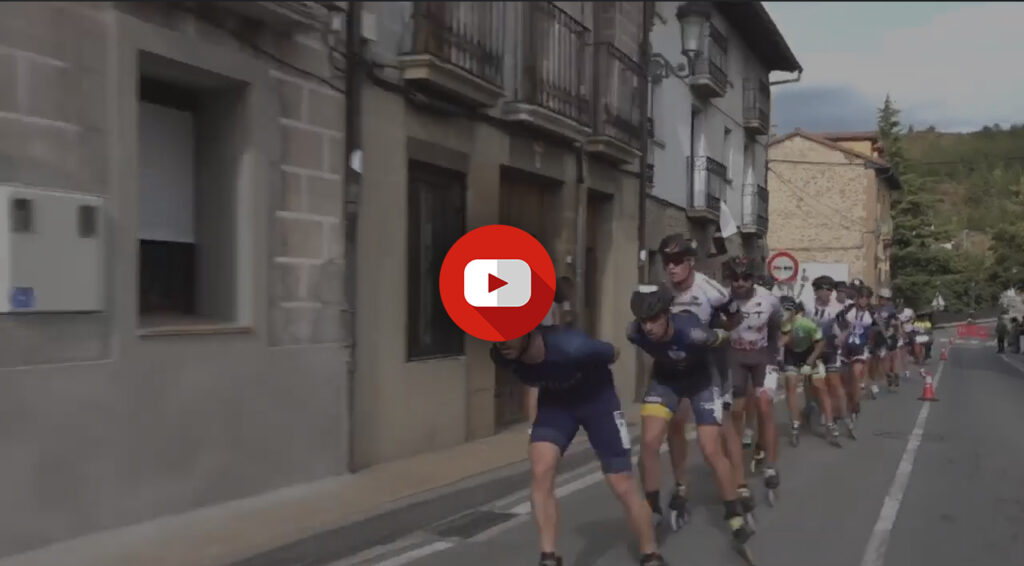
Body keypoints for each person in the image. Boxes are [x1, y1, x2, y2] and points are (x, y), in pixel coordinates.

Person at [491, 326, 665, 566]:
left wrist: (596, 355)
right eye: (495, 336)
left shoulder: (571, 345)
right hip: (556, 406)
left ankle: (650, 552)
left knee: (621, 480)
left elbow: (613, 353)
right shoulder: (502, 355)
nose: (501, 342)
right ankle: (549, 557)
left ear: (526, 330)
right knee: (541, 470)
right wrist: (534, 429)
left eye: (507, 334)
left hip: (598, 402)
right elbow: (533, 383)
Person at [628, 284, 755, 552]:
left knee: (710, 448)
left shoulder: (694, 332)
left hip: (703, 381)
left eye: (653, 319)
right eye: (643, 320)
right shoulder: (634, 332)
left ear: (667, 314)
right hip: (665, 381)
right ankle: (653, 508)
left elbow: (725, 342)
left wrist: (725, 390)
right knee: (649, 443)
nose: (648, 327)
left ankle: (733, 513)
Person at [653, 234, 752, 527]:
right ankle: (681, 486)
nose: (670, 268)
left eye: (676, 262)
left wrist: (718, 332)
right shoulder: (663, 291)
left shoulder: (712, 290)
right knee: (676, 422)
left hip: (710, 365)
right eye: (666, 262)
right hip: (676, 365)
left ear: (690, 262)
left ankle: (739, 483)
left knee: (722, 428)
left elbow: (735, 319)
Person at [722, 256, 783, 499]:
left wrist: (775, 359)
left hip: (762, 357)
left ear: (753, 279)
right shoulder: (722, 298)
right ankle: (736, 465)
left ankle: (770, 466)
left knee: (765, 406)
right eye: (735, 278)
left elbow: (776, 328)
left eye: (745, 278)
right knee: (736, 412)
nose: (739, 283)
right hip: (734, 356)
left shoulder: (769, 299)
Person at [804, 275, 855, 441]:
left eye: (830, 290)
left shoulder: (836, 308)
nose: (827, 293)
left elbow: (846, 326)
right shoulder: (807, 306)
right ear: (816, 291)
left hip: (831, 350)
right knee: (820, 387)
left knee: (835, 384)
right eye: (824, 289)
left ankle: (845, 417)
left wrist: (841, 338)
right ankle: (827, 420)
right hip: (813, 351)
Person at [780, 297, 830, 446]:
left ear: (794, 311)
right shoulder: (781, 323)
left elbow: (821, 343)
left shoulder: (806, 323)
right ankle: (795, 423)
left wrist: (810, 361)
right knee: (790, 386)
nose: (783, 313)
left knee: (819, 387)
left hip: (810, 354)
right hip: (792, 356)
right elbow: (783, 341)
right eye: (782, 310)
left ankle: (829, 422)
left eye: (787, 310)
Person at [837, 285, 877, 421]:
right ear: (857, 298)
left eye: (866, 298)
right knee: (844, 379)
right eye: (861, 297)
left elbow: (876, 329)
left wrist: (873, 345)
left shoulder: (872, 313)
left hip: (861, 347)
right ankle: (849, 400)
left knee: (856, 373)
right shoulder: (848, 309)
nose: (863, 301)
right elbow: (839, 322)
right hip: (846, 346)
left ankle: (855, 404)